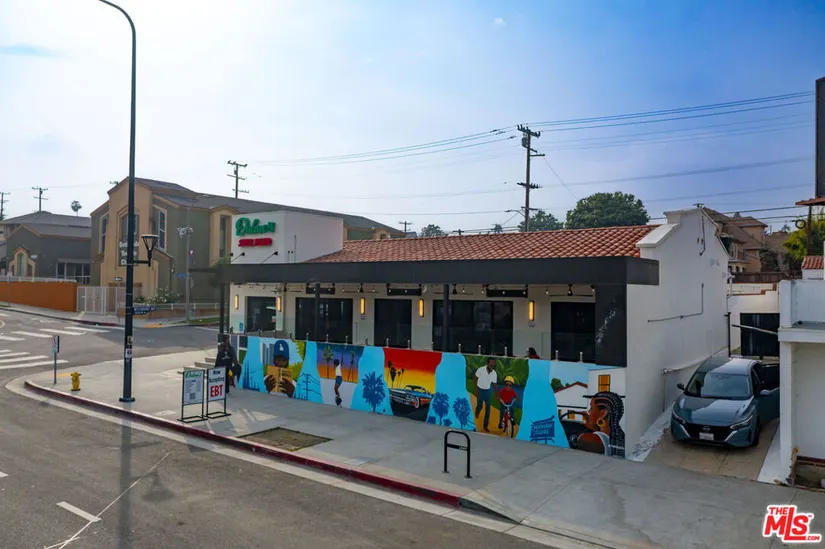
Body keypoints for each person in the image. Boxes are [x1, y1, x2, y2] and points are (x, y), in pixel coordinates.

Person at [473, 357, 498, 431]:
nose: (492, 365)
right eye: (491, 364)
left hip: (487, 391)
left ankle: (485, 426)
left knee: (488, 409)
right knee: (480, 406)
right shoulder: (481, 369)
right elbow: (475, 378)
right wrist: (476, 390)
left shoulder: (494, 373)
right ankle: (477, 412)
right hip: (480, 389)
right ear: (487, 363)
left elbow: (494, 385)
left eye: (493, 364)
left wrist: (496, 395)